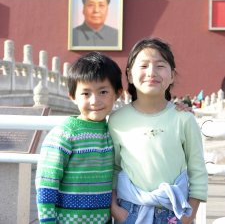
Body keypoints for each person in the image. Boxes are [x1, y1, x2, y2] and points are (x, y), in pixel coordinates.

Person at [108, 37, 208, 224]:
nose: (151, 72)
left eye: (160, 66)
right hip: (130, 210)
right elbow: (113, 168)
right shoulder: (117, 120)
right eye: (143, 66)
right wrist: (115, 210)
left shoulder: (184, 119)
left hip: (174, 211)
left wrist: (188, 217)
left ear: (172, 75)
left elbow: (197, 171)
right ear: (129, 75)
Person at [35, 51, 122, 224]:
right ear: (73, 96)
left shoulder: (113, 131)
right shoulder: (64, 134)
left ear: (117, 93)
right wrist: (47, 221)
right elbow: (46, 183)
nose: (94, 100)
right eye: (86, 93)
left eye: (103, 91)